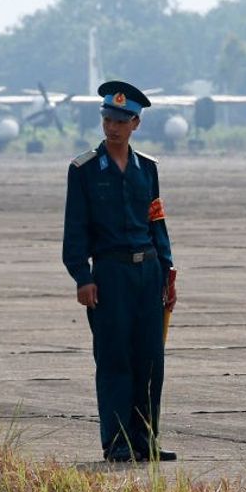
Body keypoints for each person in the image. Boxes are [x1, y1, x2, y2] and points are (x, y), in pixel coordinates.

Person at [62, 80, 178, 462]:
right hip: (109, 276)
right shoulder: (83, 170)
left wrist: (167, 269)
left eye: (122, 120)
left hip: (147, 275)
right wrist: (82, 276)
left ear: (135, 125)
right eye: (108, 118)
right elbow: (75, 229)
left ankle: (146, 441)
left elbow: (156, 220)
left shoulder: (148, 168)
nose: (113, 126)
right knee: (114, 360)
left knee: (150, 361)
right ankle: (117, 443)